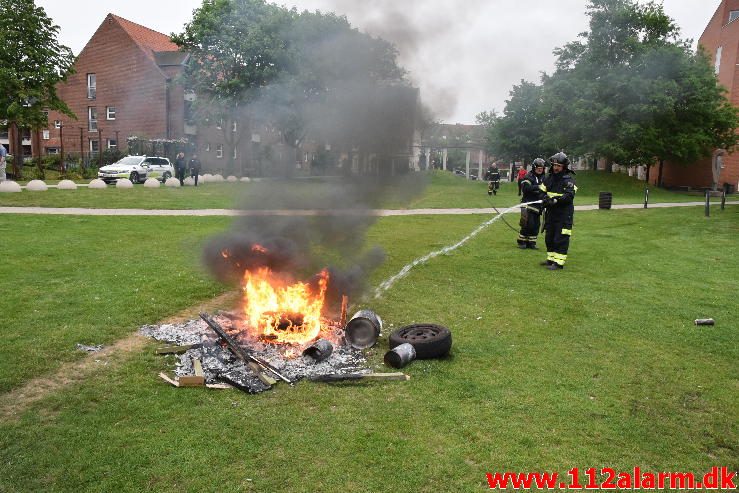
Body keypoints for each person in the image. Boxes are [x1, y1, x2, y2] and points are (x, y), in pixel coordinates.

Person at [540, 152, 577, 270]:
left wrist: (556, 201)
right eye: (554, 165)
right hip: (551, 214)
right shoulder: (549, 178)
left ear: (564, 167)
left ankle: (559, 262)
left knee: (560, 238)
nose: (556, 168)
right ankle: (550, 259)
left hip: (564, 215)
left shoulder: (568, 180)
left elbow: (569, 196)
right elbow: (541, 191)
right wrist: (544, 199)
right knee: (549, 237)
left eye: (559, 166)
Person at [517, 158, 546, 249]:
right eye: (538, 168)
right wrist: (538, 187)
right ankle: (522, 241)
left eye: (541, 168)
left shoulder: (544, 177)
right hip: (527, 204)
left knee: (535, 225)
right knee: (528, 223)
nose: (540, 169)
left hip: (538, 206)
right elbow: (525, 189)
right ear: (534, 167)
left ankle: (532, 243)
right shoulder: (528, 176)